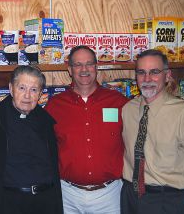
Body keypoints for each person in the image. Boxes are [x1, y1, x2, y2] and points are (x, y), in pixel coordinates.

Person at [121, 49, 184, 214]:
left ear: (167, 75)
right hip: (129, 196)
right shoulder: (127, 110)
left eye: (154, 72)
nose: (147, 79)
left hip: (166, 200)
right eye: (141, 72)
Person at [45, 45, 129, 214]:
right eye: (78, 65)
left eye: (89, 64)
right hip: (68, 194)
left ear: (96, 67)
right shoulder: (55, 106)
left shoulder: (118, 102)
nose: (84, 70)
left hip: (110, 194)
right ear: (70, 70)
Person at [0, 65, 63, 214]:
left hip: (45, 202)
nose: (27, 96)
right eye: (22, 88)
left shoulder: (47, 121)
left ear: (40, 94)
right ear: (11, 88)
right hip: (8, 203)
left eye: (34, 90)